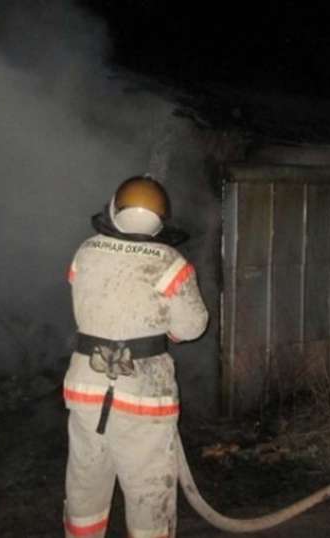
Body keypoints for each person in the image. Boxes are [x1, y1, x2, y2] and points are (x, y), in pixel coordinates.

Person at [63, 175, 209, 538]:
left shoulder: (86, 251)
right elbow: (193, 327)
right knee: (148, 492)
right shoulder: (171, 263)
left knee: (86, 483)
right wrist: (165, 330)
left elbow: (85, 297)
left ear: (115, 209)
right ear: (160, 220)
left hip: (86, 390)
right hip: (144, 395)